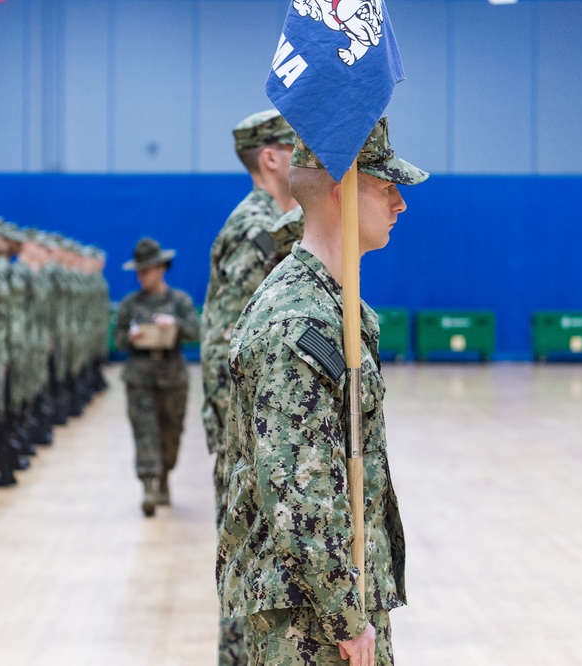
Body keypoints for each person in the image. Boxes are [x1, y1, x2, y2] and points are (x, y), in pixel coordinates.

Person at [216, 117, 427, 666]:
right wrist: (347, 619)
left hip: (334, 604)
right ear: (344, 190)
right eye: (387, 187)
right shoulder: (296, 319)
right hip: (311, 626)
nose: (400, 204)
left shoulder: (336, 305)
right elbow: (299, 492)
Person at [199, 109, 301, 666]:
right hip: (246, 433)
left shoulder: (278, 222)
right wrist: (240, 442)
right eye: (295, 146)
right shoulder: (254, 230)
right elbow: (227, 342)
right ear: (270, 156)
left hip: (255, 429)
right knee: (248, 571)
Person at [113, 238, 199, 517]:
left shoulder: (179, 301)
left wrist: (175, 324)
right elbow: (117, 341)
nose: (142, 277)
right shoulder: (129, 304)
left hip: (172, 376)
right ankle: (149, 485)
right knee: (144, 431)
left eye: (147, 270)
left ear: (161, 268)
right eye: (139, 271)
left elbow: (195, 333)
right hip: (140, 376)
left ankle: (164, 476)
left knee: (170, 432)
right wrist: (130, 336)